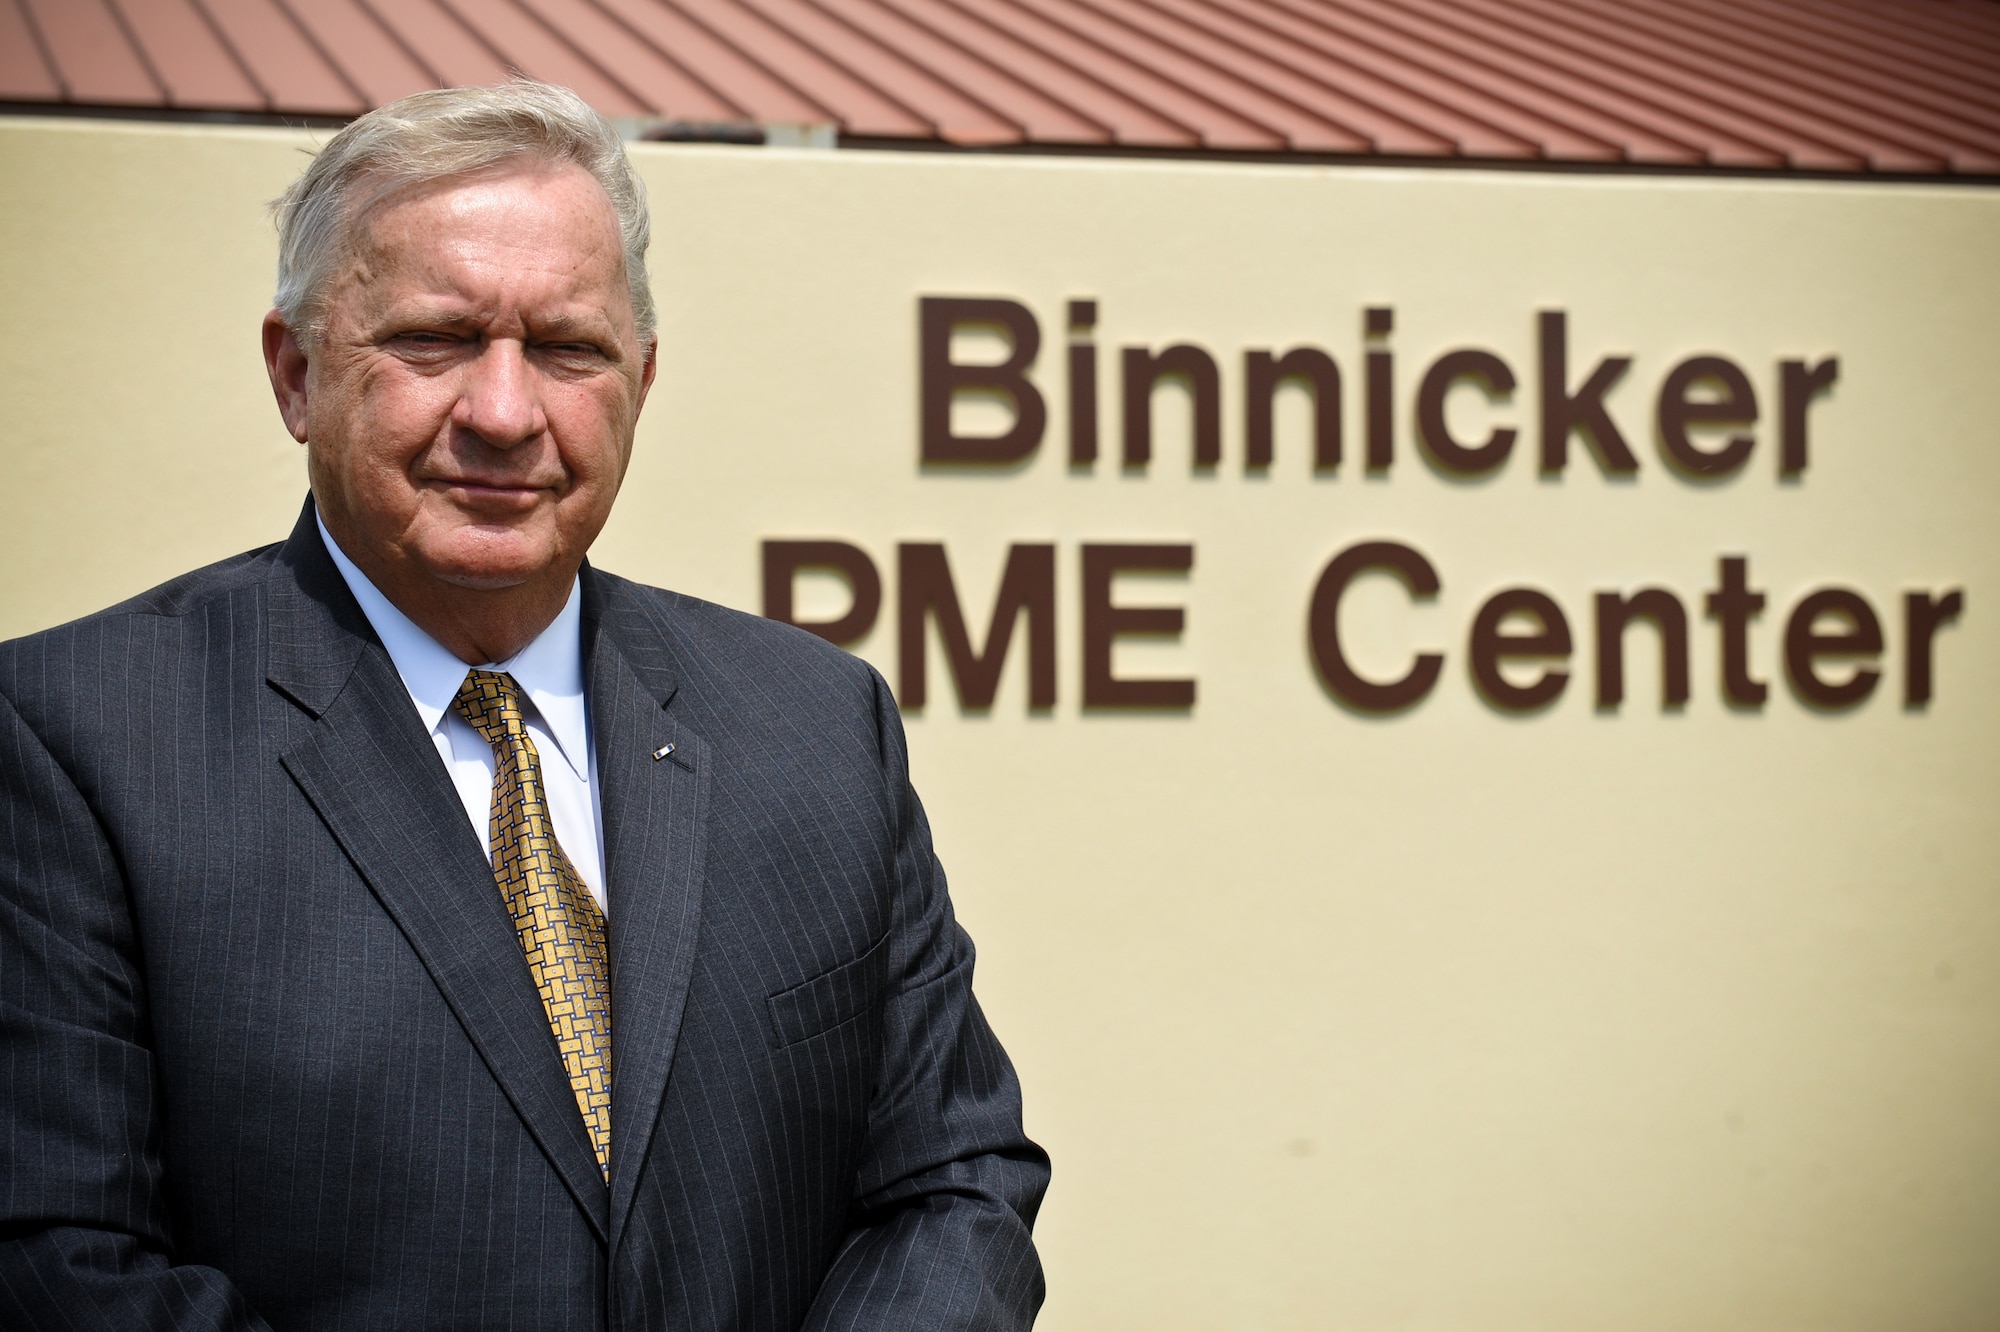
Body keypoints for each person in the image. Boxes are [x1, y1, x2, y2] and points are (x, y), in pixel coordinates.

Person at [0, 81, 1047, 1331]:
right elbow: (61, 1258)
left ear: (640, 383)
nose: (504, 413)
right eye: (434, 340)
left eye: (566, 349)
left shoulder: (818, 726)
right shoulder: (74, 743)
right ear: (293, 373)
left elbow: (954, 1182)